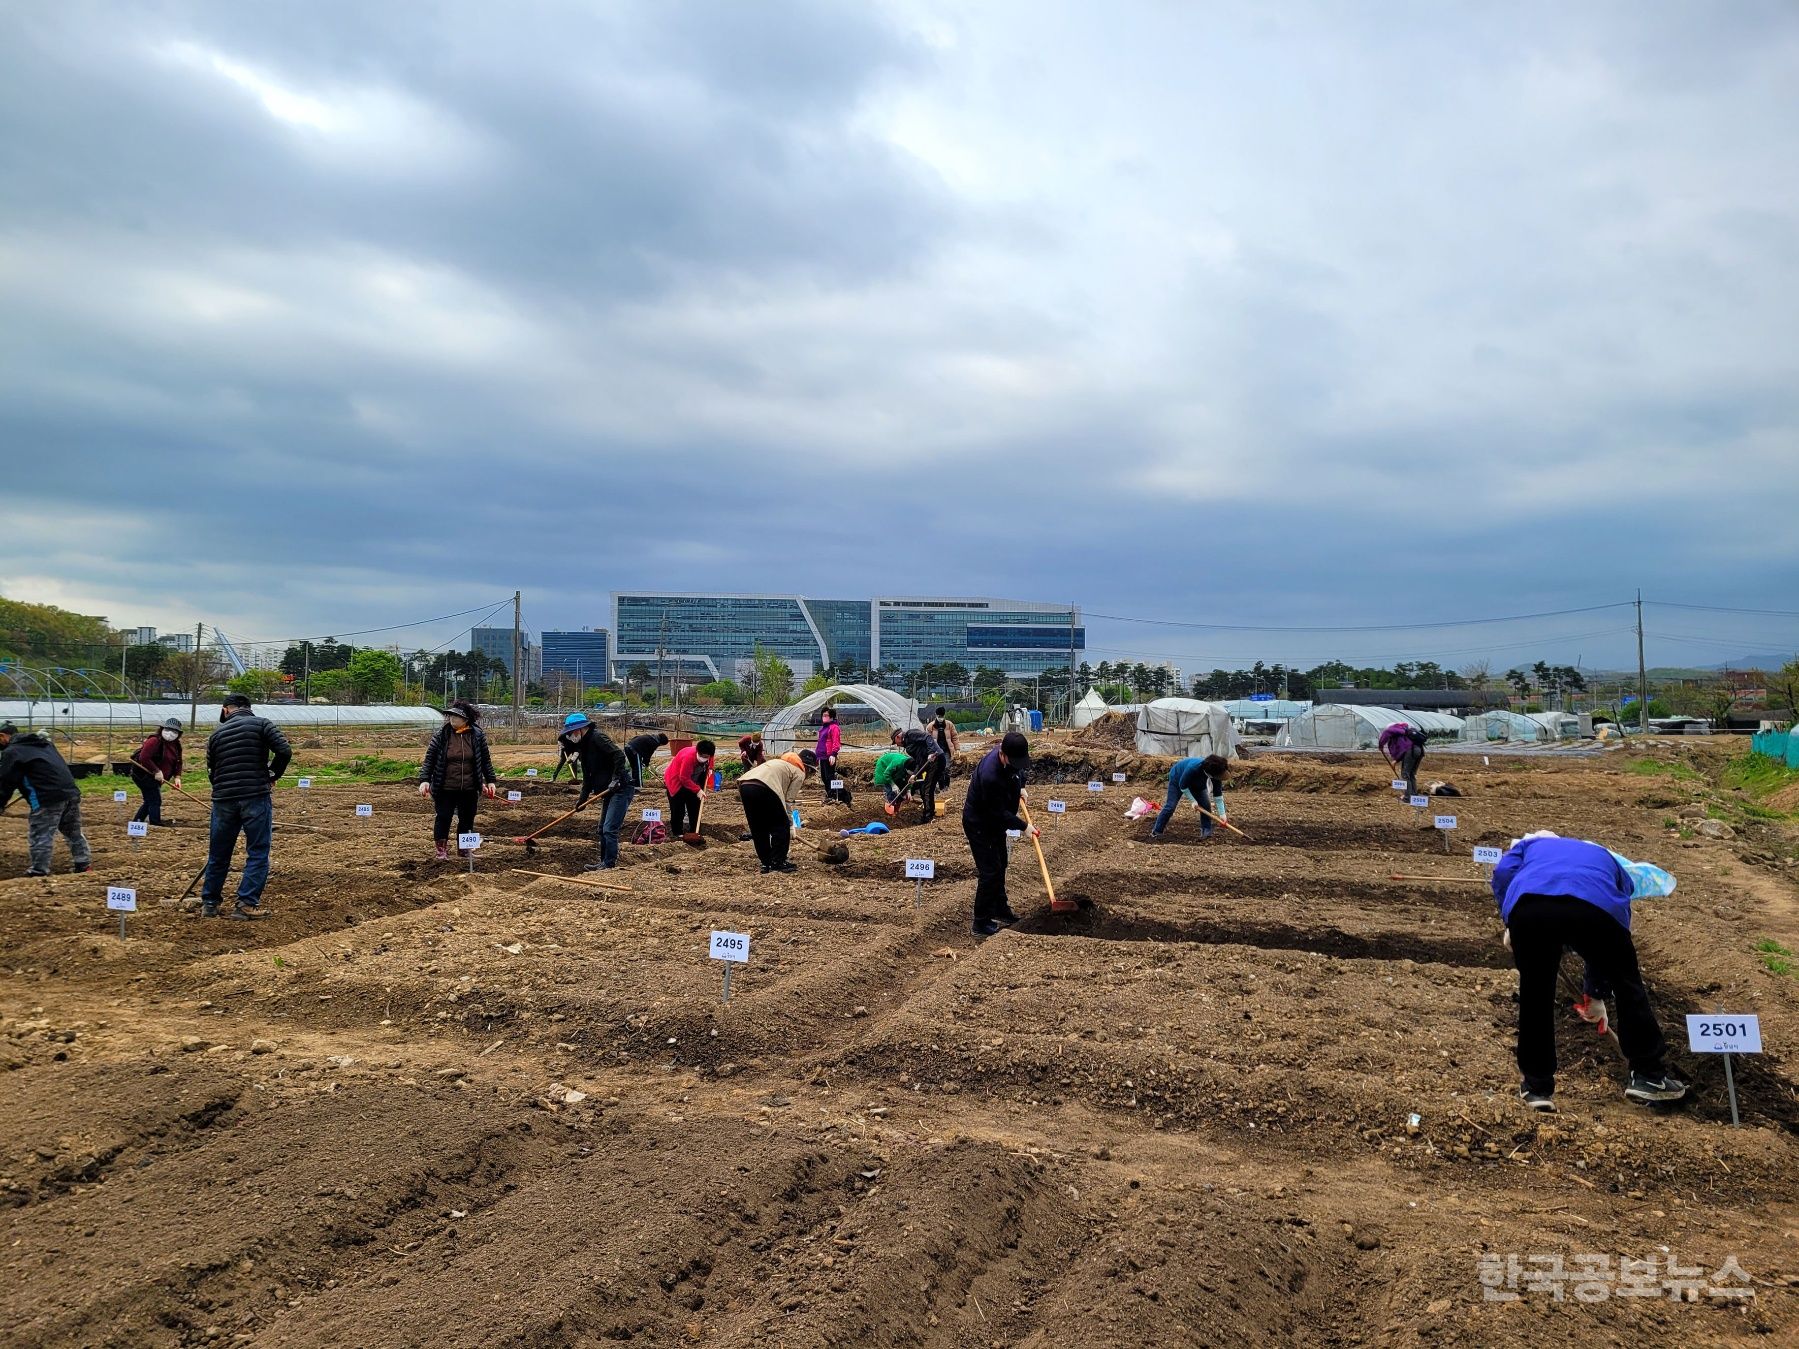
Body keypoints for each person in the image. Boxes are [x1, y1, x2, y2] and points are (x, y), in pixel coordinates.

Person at [1491, 832, 1687, 1112]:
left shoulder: (1530, 845)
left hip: (1532, 907)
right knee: (1628, 986)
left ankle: (1537, 1088)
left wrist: (1509, 918)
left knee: (1536, 993)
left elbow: (1502, 874)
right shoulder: (1606, 858)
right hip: (1597, 910)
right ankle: (1648, 1076)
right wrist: (1596, 993)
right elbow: (1611, 930)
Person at [200, 694, 291, 919]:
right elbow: (284, 751)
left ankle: (210, 903)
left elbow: (212, 770)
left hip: (223, 800)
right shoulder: (262, 724)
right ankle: (245, 904)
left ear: (226, 710)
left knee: (219, 853)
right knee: (258, 851)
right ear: (249, 708)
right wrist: (272, 775)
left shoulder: (216, 734)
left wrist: (223, 789)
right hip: (254, 796)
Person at [962, 731, 1036, 937]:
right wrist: (1024, 827)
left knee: (1001, 862)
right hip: (979, 823)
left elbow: (1018, 772)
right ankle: (981, 922)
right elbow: (998, 813)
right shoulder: (990, 775)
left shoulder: (1011, 759)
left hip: (995, 823)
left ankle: (999, 908)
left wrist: (1020, 787)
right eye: (1013, 762)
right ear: (1002, 755)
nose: (1016, 765)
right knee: (990, 871)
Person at [0, 722, 92, 877]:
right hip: (70, 792)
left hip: (46, 797)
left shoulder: (12, 751)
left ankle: (39, 871)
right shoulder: (44, 744)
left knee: (41, 833)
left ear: (2, 736)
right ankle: (83, 863)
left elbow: (5, 782)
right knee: (73, 831)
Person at [418, 700, 497, 860]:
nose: (452, 719)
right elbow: (429, 760)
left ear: (466, 719)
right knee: (444, 817)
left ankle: (464, 850)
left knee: (467, 818)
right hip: (445, 786)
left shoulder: (477, 735)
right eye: (451, 716)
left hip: (469, 787)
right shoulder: (441, 736)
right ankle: (441, 851)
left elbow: (485, 760)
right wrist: (424, 780)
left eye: (456, 717)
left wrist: (490, 781)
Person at [559, 712, 630, 868]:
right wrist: (582, 800)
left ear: (580, 729)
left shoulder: (597, 738)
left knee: (609, 828)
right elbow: (588, 777)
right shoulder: (583, 747)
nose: (570, 736)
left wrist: (616, 778)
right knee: (601, 829)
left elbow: (619, 755)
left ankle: (609, 864)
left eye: (571, 733)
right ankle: (603, 862)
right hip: (609, 790)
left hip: (620, 788)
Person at [738, 749, 817, 872]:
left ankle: (766, 862)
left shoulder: (779, 763)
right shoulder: (799, 772)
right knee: (781, 825)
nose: (808, 776)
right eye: (811, 772)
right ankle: (778, 862)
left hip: (746, 786)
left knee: (758, 827)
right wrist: (790, 825)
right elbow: (788, 801)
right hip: (765, 787)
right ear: (807, 767)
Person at [1148, 754, 1229, 841]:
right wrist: (1193, 801)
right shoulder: (1193, 768)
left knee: (1206, 806)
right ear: (1210, 773)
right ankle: (1156, 832)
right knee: (1170, 807)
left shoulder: (1217, 773)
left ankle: (1206, 832)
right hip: (1177, 779)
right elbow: (1182, 785)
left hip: (1198, 784)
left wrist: (1222, 815)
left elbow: (1218, 795)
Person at [128, 717, 185, 826]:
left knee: (150, 800)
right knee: (155, 799)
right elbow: (144, 758)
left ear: (178, 733)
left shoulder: (176, 745)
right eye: (168, 730)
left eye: (174, 731)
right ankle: (155, 822)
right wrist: (156, 771)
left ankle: (137, 821)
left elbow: (178, 761)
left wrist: (177, 776)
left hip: (158, 778)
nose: (170, 733)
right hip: (144, 775)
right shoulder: (154, 741)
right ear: (162, 729)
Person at [663, 738, 715, 838]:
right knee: (678, 809)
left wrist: (710, 770)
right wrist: (697, 790)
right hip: (676, 782)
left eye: (706, 757)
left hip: (693, 782)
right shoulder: (688, 758)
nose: (704, 758)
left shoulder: (709, 755)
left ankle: (694, 832)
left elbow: (710, 763)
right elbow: (684, 778)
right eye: (702, 756)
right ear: (698, 752)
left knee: (695, 807)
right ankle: (677, 833)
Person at [897, 726, 942, 821]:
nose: (897, 745)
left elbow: (928, 737)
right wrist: (915, 774)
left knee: (927, 789)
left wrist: (931, 752)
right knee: (924, 788)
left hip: (936, 759)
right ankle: (928, 813)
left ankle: (928, 817)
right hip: (930, 762)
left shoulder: (910, 734)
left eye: (895, 742)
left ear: (897, 737)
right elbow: (920, 761)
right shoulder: (909, 747)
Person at [1379, 721, 1427, 798]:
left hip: (1412, 751)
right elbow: (1403, 751)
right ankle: (1414, 794)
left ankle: (1408, 797)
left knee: (1405, 774)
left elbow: (1404, 749)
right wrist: (1396, 760)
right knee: (1411, 773)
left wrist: (1380, 745)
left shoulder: (1392, 730)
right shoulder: (1404, 733)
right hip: (1419, 750)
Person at [874, 739, 917, 812]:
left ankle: (896, 810)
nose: (908, 776)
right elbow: (886, 774)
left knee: (900, 790)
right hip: (884, 767)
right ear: (905, 769)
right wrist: (893, 785)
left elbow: (909, 780)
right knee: (891, 791)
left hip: (895, 773)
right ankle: (890, 811)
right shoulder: (897, 763)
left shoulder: (912, 765)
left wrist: (908, 790)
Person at [816, 708, 845, 803]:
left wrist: (833, 754)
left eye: (826, 715)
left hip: (829, 756)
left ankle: (833, 795)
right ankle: (829, 794)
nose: (824, 717)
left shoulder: (834, 727)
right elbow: (820, 742)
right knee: (824, 777)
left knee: (829, 776)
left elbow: (836, 742)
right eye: (823, 715)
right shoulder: (822, 728)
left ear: (831, 717)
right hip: (822, 756)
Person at [930, 706, 959, 790]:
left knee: (947, 768)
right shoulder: (931, 726)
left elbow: (955, 737)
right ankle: (941, 786)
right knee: (939, 769)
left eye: (942, 716)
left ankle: (947, 786)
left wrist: (957, 748)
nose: (940, 718)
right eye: (939, 716)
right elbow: (927, 740)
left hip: (946, 750)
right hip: (936, 752)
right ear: (936, 715)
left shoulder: (949, 725)